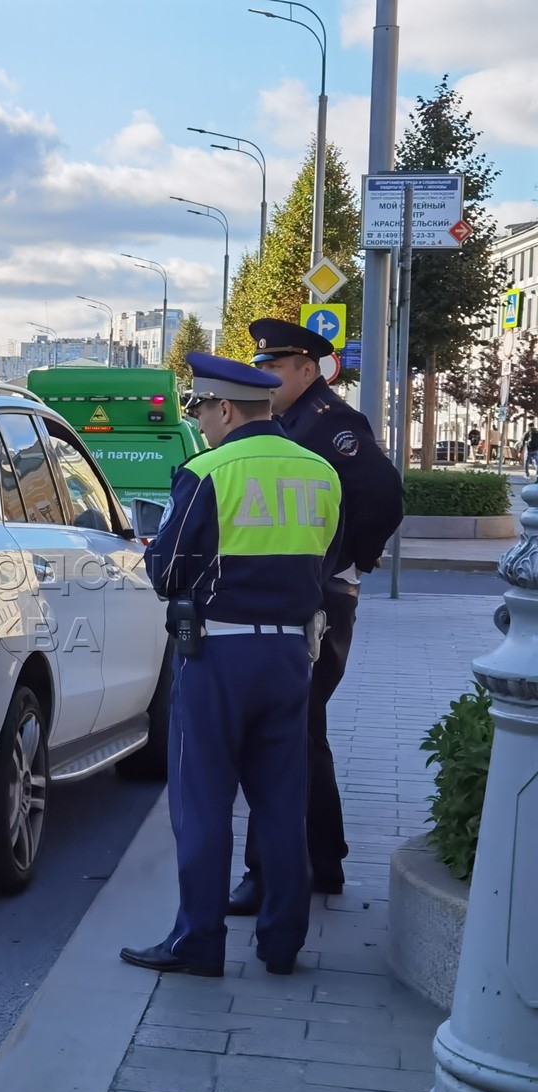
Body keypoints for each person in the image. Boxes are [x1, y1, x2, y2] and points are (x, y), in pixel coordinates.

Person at [121, 353, 342, 977]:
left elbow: (168, 574)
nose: (202, 422)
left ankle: (198, 941)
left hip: (219, 653)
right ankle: (281, 942)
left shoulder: (208, 471)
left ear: (223, 408)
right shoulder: (320, 471)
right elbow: (326, 557)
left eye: (202, 411)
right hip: (290, 654)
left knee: (203, 801)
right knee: (280, 801)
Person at [225, 318, 404, 915]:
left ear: (310, 367)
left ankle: (266, 875)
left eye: (276, 367)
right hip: (302, 597)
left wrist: (350, 555)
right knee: (304, 731)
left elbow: (383, 494)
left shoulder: (332, 425)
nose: (267, 376)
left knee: (279, 733)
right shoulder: (288, 423)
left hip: (320, 600)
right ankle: (322, 861)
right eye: (263, 368)